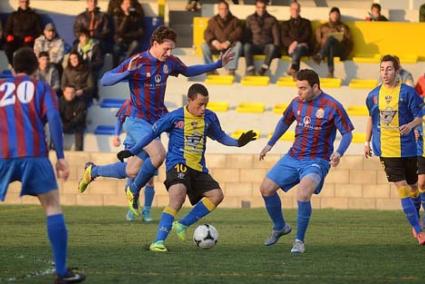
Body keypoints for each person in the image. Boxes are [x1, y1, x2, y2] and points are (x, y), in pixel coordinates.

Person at [77, 26, 233, 217]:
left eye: (172, 49)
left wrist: (217, 65)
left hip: (156, 120)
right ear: (155, 44)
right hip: (136, 120)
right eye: (166, 49)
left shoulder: (169, 62)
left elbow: (188, 70)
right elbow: (105, 80)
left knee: (132, 169)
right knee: (159, 154)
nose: (169, 53)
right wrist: (126, 74)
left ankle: (93, 171)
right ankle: (133, 191)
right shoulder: (138, 61)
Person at [116, 83, 257, 252]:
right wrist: (133, 150)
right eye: (200, 104)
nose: (203, 108)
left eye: (206, 104)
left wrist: (238, 143)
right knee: (177, 196)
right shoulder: (174, 117)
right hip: (177, 163)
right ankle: (158, 242)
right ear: (189, 100)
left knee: (216, 195)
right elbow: (151, 135)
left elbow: (220, 136)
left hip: (198, 167)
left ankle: (182, 224)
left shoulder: (210, 117)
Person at [0, 47, 85, 283]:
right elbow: (54, 119)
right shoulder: (41, 87)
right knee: (52, 206)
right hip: (35, 155)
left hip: (2, 155)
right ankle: (61, 272)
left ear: (12, 68)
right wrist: (60, 156)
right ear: (37, 68)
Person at [259, 69, 354, 254]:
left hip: (316, 161)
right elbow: (284, 122)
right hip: (293, 156)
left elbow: (348, 133)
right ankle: (280, 227)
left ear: (315, 87)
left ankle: (299, 241)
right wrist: (270, 144)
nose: (299, 92)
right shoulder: (296, 103)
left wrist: (339, 152)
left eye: (303, 88)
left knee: (303, 194)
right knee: (265, 188)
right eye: (298, 88)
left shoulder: (332, 106)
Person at [364, 55, 425, 245]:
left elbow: (420, 116)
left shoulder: (407, 93)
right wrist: (366, 142)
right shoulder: (373, 95)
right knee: (403, 189)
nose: (385, 72)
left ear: (397, 71)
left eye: (389, 69)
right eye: (382, 69)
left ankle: (416, 221)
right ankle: (418, 230)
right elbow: (370, 118)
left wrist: (411, 125)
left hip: (409, 149)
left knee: (414, 188)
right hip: (387, 150)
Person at [113, 99, 155, 222]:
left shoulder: (155, 101)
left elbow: (165, 121)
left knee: (149, 181)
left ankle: (147, 210)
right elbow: (120, 119)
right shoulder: (129, 102)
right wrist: (116, 135)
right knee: (131, 176)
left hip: (151, 144)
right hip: (132, 144)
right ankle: (133, 207)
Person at [202, 0, 243, 76]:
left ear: (228, 9)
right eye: (221, 9)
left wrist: (228, 42)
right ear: (218, 10)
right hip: (216, 47)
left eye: (225, 9)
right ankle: (211, 69)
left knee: (238, 45)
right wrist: (214, 42)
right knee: (204, 46)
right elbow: (206, 33)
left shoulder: (235, 20)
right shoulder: (212, 20)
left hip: (229, 48)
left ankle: (231, 70)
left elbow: (238, 32)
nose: (223, 11)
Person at [313, 7, 353, 78]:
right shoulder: (322, 27)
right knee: (330, 45)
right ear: (330, 15)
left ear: (339, 16)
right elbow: (317, 40)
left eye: (337, 15)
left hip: (340, 50)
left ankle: (320, 56)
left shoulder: (343, 27)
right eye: (333, 14)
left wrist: (346, 54)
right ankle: (330, 72)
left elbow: (349, 42)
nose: (335, 16)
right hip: (327, 50)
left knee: (331, 39)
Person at [243, 0, 280, 76]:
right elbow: (246, 35)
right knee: (246, 46)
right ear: (256, 8)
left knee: (272, 47)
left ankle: (264, 68)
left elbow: (276, 37)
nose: (261, 9)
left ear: (265, 7)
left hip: (266, 46)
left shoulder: (272, 19)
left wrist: (277, 50)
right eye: (259, 7)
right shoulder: (250, 18)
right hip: (254, 45)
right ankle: (250, 69)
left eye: (263, 7)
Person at [4, 0, 42, 65]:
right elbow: (6, 29)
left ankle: (25, 68)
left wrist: (31, 37)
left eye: (26, 2)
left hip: (27, 41)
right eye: (22, 1)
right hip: (14, 40)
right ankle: (13, 65)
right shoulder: (13, 15)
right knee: (7, 48)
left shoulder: (35, 16)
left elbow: (38, 31)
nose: (24, 3)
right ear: (19, 3)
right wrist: (8, 36)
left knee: (27, 51)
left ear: (29, 3)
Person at [281, 1, 313, 77]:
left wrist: (296, 43)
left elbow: (307, 35)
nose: (295, 11)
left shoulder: (306, 22)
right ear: (290, 10)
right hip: (290, 49)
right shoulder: (285, 24)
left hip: (303, 48)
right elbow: (283, 37)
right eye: (293, 9)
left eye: (297, 9)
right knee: (297, 48)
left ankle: (294, 67)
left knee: (300, 47)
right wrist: (291, 44)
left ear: (299, 10)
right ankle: (295, 69)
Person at [112, 0, 145, 67]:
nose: (128, 5)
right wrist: (126, 16)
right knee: (116, 48)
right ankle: (115, 66)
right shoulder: (117, 15)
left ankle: (123, 63)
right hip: (120, 41)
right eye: (126, 4)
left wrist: (126, 35)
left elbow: (141, 32)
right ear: (121, 5)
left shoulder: (135, 15)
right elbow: (119, 32)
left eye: (129, 4)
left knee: (136, 44)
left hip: (131, 41)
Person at [59, 86, 87, 151]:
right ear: (64, 93)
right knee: (54, 127)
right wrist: (63, 124)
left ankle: (79, 150)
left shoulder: (81, 102)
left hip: (75, 124)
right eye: (68, 93)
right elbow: (58, 115)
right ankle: (54, 148)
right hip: (63, 123)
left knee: (80, 128)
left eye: (72, 93)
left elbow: (80, 117)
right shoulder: (59, 102)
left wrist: (70, 124)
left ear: (75, 93)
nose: (70, 95)